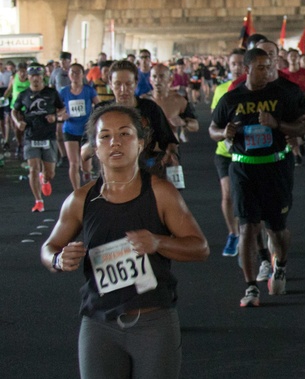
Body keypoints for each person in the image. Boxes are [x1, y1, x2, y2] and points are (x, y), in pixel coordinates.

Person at [41, 104, 209, 379]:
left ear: (141, 143)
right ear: (94, 148)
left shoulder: (160, 193)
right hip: (98, 325)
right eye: (104, 136)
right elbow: (48, 248)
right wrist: (58, 260)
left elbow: (200, 248)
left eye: (124, 134)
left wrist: (158, 242)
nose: (114, 142)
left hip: (153, 323)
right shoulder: (80, 200)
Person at [209, 47, 305, 307]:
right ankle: (251, 287)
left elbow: (303, 126)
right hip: (244, 169)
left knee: (277, 230)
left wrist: (277, 125)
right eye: (261, 67)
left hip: (276, 167)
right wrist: (225, 133)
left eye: (270, 66)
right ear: (247, 69)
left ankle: (281, 264)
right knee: (247, 227)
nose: (267, 72)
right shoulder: (232, 99)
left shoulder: (284, 94)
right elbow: (212, 129)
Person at [13, 64, 66, 211]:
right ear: (28, 78)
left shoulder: (51, 93)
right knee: (33, 169)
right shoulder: (23, 94)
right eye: (32, 76)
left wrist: (55, 117)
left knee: (50, 172)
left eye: (38, 75)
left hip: (48, 136)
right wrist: (18, 122)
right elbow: (14, 110)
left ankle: (45, 178)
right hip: (31, 136)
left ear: (43, 76)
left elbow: (62, 109)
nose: (35, 79)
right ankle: (38, 201)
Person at [209, 48, 246, 258]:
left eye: (241, 63)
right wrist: (224, 132)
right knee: (227, 193)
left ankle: (248, 232)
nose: (238, 67)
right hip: (225, 152)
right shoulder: (222, 89)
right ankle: (233, 233)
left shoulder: (253, 90)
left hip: (248, 152)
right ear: (229, 66)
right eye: (234, 64)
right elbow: (215, 121)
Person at [60, 63, 99, 189]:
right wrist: (61, 116)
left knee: (86, 166)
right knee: (74, 163)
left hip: (86, 130)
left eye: (78, 72)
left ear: (83, 74)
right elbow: (56, 109)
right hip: (70, 129)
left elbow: (99, 107)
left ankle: (87, 183)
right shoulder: (63, 91)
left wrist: (95, 120)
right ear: (68, 75)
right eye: (72, 72)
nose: (75, 75)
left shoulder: (89, 90)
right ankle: (76, 192)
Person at [150, 64, 199, 144]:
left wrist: (183, 122)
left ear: (170, 80)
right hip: (146, 152)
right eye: (154, 77)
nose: (157, 80)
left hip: (170, 151)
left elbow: (195, 126)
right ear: (150, 80)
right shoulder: (142, 100)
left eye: (161, 76)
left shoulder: (179, 101)